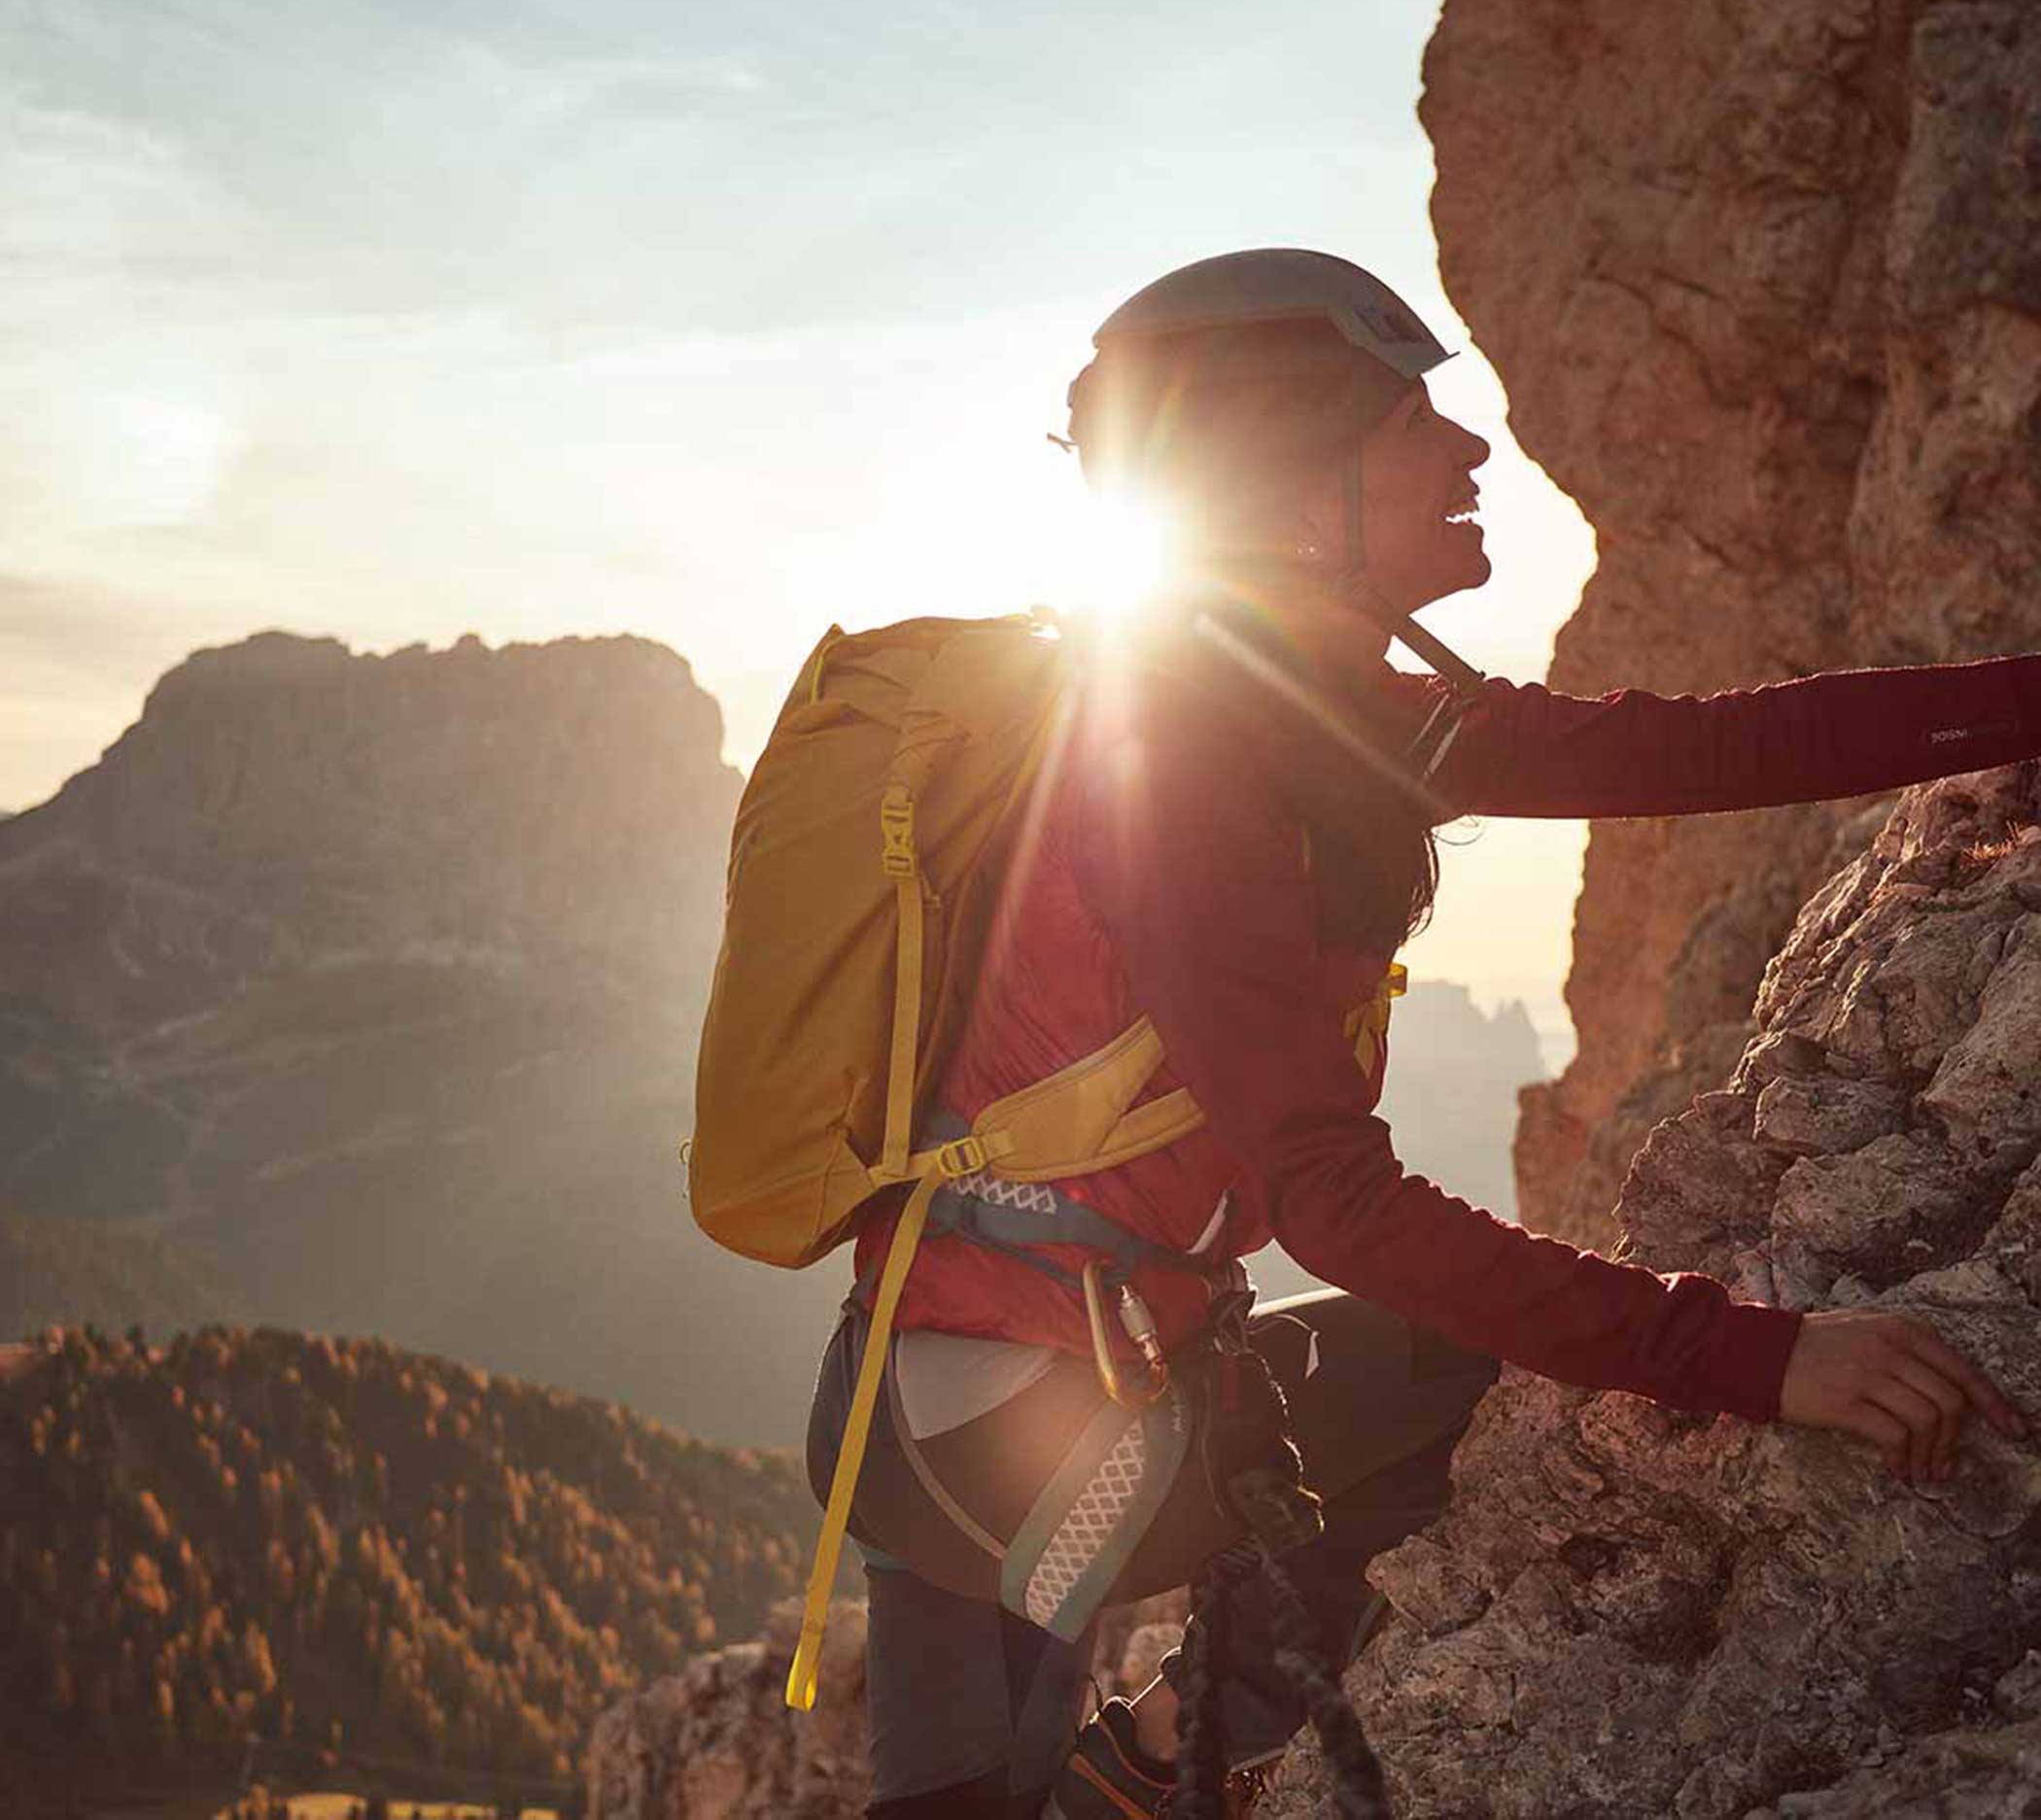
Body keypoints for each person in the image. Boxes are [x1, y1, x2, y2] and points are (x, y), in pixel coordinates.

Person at [805, 250, 2031, 1819]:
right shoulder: (1180, 766)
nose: (1467, 450)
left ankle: (1163, 1753)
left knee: (1466, 1372)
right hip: (1009, 1431)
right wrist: (1762, 1357)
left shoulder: (1307, 717)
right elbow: (1341, 1206)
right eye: (1410, 425)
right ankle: (1163, 1758)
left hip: (994, 1384)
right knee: (1476, 1380)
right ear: (1290, 493)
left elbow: (1712, 748)